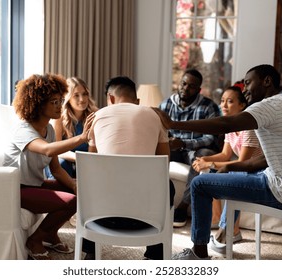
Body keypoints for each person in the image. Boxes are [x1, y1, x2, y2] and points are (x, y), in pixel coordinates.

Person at [153, 64, 282, 260]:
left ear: (266, 81)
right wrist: (228, 167)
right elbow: (264, 159)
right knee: (231, 177)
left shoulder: (268, 106)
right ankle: (228, 231)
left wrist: (173, 124)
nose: (244, 89)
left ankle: (199, 254)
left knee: (199, 184)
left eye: (248, 83)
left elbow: (226, 123)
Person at [3, 73, 94, 260]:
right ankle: (35, 240)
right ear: (37, 103)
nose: (59, 106)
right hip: (16, 188)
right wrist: (82, 138)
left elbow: (56, 169)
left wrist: (75, 185)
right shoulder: (23, 130)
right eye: (53, 102)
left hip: (34, 185)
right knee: (70, 201)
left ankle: (50, 235)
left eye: (60, 101)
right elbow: (46, 150)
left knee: (81, 192)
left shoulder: (49, 129)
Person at [85, 76, 174, 260]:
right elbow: (164, 163)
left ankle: (90, 250)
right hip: (146, 220)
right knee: (167, 184)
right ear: (137, 101)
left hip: (102, 218)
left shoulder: (97, 117)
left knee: (90, 181)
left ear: (110, 99)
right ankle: (154, 255)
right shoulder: (154, 115)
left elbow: (91, 164)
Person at [191, 85, 263, 253]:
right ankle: (218, 221)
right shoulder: (230, 127)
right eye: (222, 101)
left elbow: (243, 162)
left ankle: (227, 231)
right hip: (243, 168)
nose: (224, 105)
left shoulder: (249, 128)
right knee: (207, 175)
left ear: (242, 105)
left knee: (232, 173)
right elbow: (224, 154)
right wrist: (205, 159)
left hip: (256, 171)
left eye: (230, 102)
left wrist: (210, 164)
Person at [159, 68, 221, 227]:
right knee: (154, 154)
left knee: (204, 155)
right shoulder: (166, 104)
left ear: (198, 89)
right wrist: (168, 142)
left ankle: (182, 207)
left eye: (191, 86)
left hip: (195, 149)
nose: (185, 88)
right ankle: (159, 204)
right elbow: (158, 130)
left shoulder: (208, 107)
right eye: (183, 83)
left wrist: (184, 143)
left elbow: (211, 137)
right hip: (173, 148)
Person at [45, 77, 98, 179]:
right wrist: (77, 158)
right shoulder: (59, 118)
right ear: (68, 98)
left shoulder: (94, 115)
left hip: (86, 161)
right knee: (62, 163)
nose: (82, 99)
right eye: (76, 95)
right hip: (64, 160)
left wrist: (84, 161)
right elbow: (56, 150)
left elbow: (92, 152)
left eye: (85, 94)